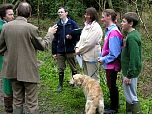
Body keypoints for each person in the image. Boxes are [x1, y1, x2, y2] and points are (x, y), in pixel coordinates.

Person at [0, 2, 57, 114]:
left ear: (16, 12)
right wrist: (50, 34)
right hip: (29, 72)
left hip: (12, 71)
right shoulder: (32, 28)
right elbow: (42, 46)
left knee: (17, 101)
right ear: (30, 14)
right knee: (32, 103)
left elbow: (1, 48)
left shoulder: (6, 27)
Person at [98, 9, 123, 113]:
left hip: (112, 65)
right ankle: (113, 106)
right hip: (109, 64)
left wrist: (103, 59)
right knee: (110, 85)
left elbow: (114, 53)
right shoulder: (109, 30)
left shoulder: (113, 32)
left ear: (109, 17)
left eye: (103, 16)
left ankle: (114, 108)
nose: (101, 19)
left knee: (112, 85)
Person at [52, 7, 79, 92]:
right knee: (60, 68)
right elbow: (54, 39)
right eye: (59, 12)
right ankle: (60, 85)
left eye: (61, 12)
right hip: (60, 51)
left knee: (73, 68)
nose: (60, 13)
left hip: (70, 50)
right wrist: (54, 52)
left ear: (66, 13)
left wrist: (72, 37)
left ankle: (75, 83)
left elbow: (78, 36)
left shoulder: (72, 24)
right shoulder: (57, 25)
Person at [121, 12, 142, 114]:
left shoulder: (132, 37)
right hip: (128, 72)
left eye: (124, 21)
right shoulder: (131, 35)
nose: (121, 23)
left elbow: (135, 58)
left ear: (131, 23)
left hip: (130, 73)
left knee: (132, 96)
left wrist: (129, 75)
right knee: (129, 95)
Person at [75, 7, 103, 82]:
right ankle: (88, 93)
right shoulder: (86, 26)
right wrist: (77, 47)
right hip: (84, 55)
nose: (86, 16)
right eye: (86, 14)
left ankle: (96, 93)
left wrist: (79, 51)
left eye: (89, 15)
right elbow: (81, 39)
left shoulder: (96, 28)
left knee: (93, 78)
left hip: (92, 57)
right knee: (86, 77)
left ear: (93, 16)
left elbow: (90, 43)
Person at [0, 3, 14, 114]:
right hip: (4, 57)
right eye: (10, 14)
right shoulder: (2, 26)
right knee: (7, 79)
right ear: (3, 16)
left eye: (13, 14)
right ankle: (8, 105)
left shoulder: (7, 24)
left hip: (12, 56)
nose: (12, 16)